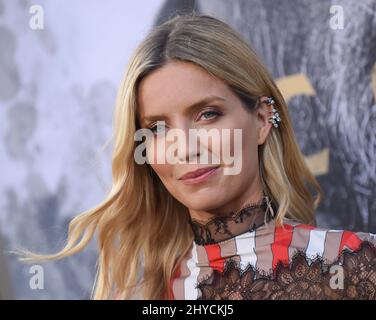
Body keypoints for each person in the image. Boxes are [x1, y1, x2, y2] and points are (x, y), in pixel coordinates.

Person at [18, 12, 376, 300]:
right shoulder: (136, 295)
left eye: (207, 114)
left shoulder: (356, 267)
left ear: (262, 120)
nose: (185, 148)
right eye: (158, 128)